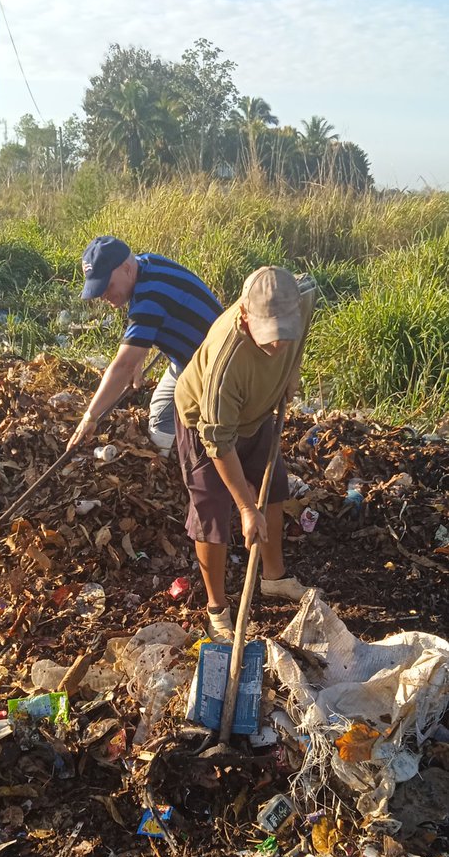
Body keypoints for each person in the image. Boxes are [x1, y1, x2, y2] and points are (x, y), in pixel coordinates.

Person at [174, 265, 316, 641]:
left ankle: (273, 579)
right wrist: (246, 508)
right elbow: (218, 439)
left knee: (274, 488)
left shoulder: (300, 300)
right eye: (269, 336)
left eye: (283, 335)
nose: (277, 345)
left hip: (257, 414)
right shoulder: (228, 357)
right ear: (244, 315)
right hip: (206, 426)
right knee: (213, 513)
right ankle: (217, 607)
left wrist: (291, 374)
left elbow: (299, 334)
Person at [67, 236, 222, 454]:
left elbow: (123, 366)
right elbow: (146, 330)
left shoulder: (149, 296)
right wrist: (138, 360)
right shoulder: (147, 265)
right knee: (162, 407)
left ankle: (169, 461)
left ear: (126, 269)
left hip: (215, 368)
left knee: (164, 417)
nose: (103, 295)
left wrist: (90, 417)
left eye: (107, 286)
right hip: (196, 355)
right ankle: (177, 451)